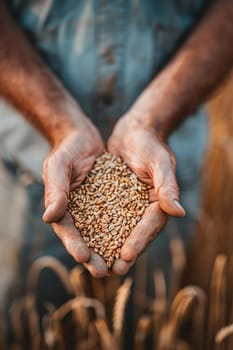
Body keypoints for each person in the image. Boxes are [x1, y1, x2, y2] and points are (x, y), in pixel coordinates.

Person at [0, 0, 232, 304]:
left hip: (164, 173)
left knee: (150, 314)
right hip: (26, 168)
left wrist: (152, 120)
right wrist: (60, 123)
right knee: (26, 319)